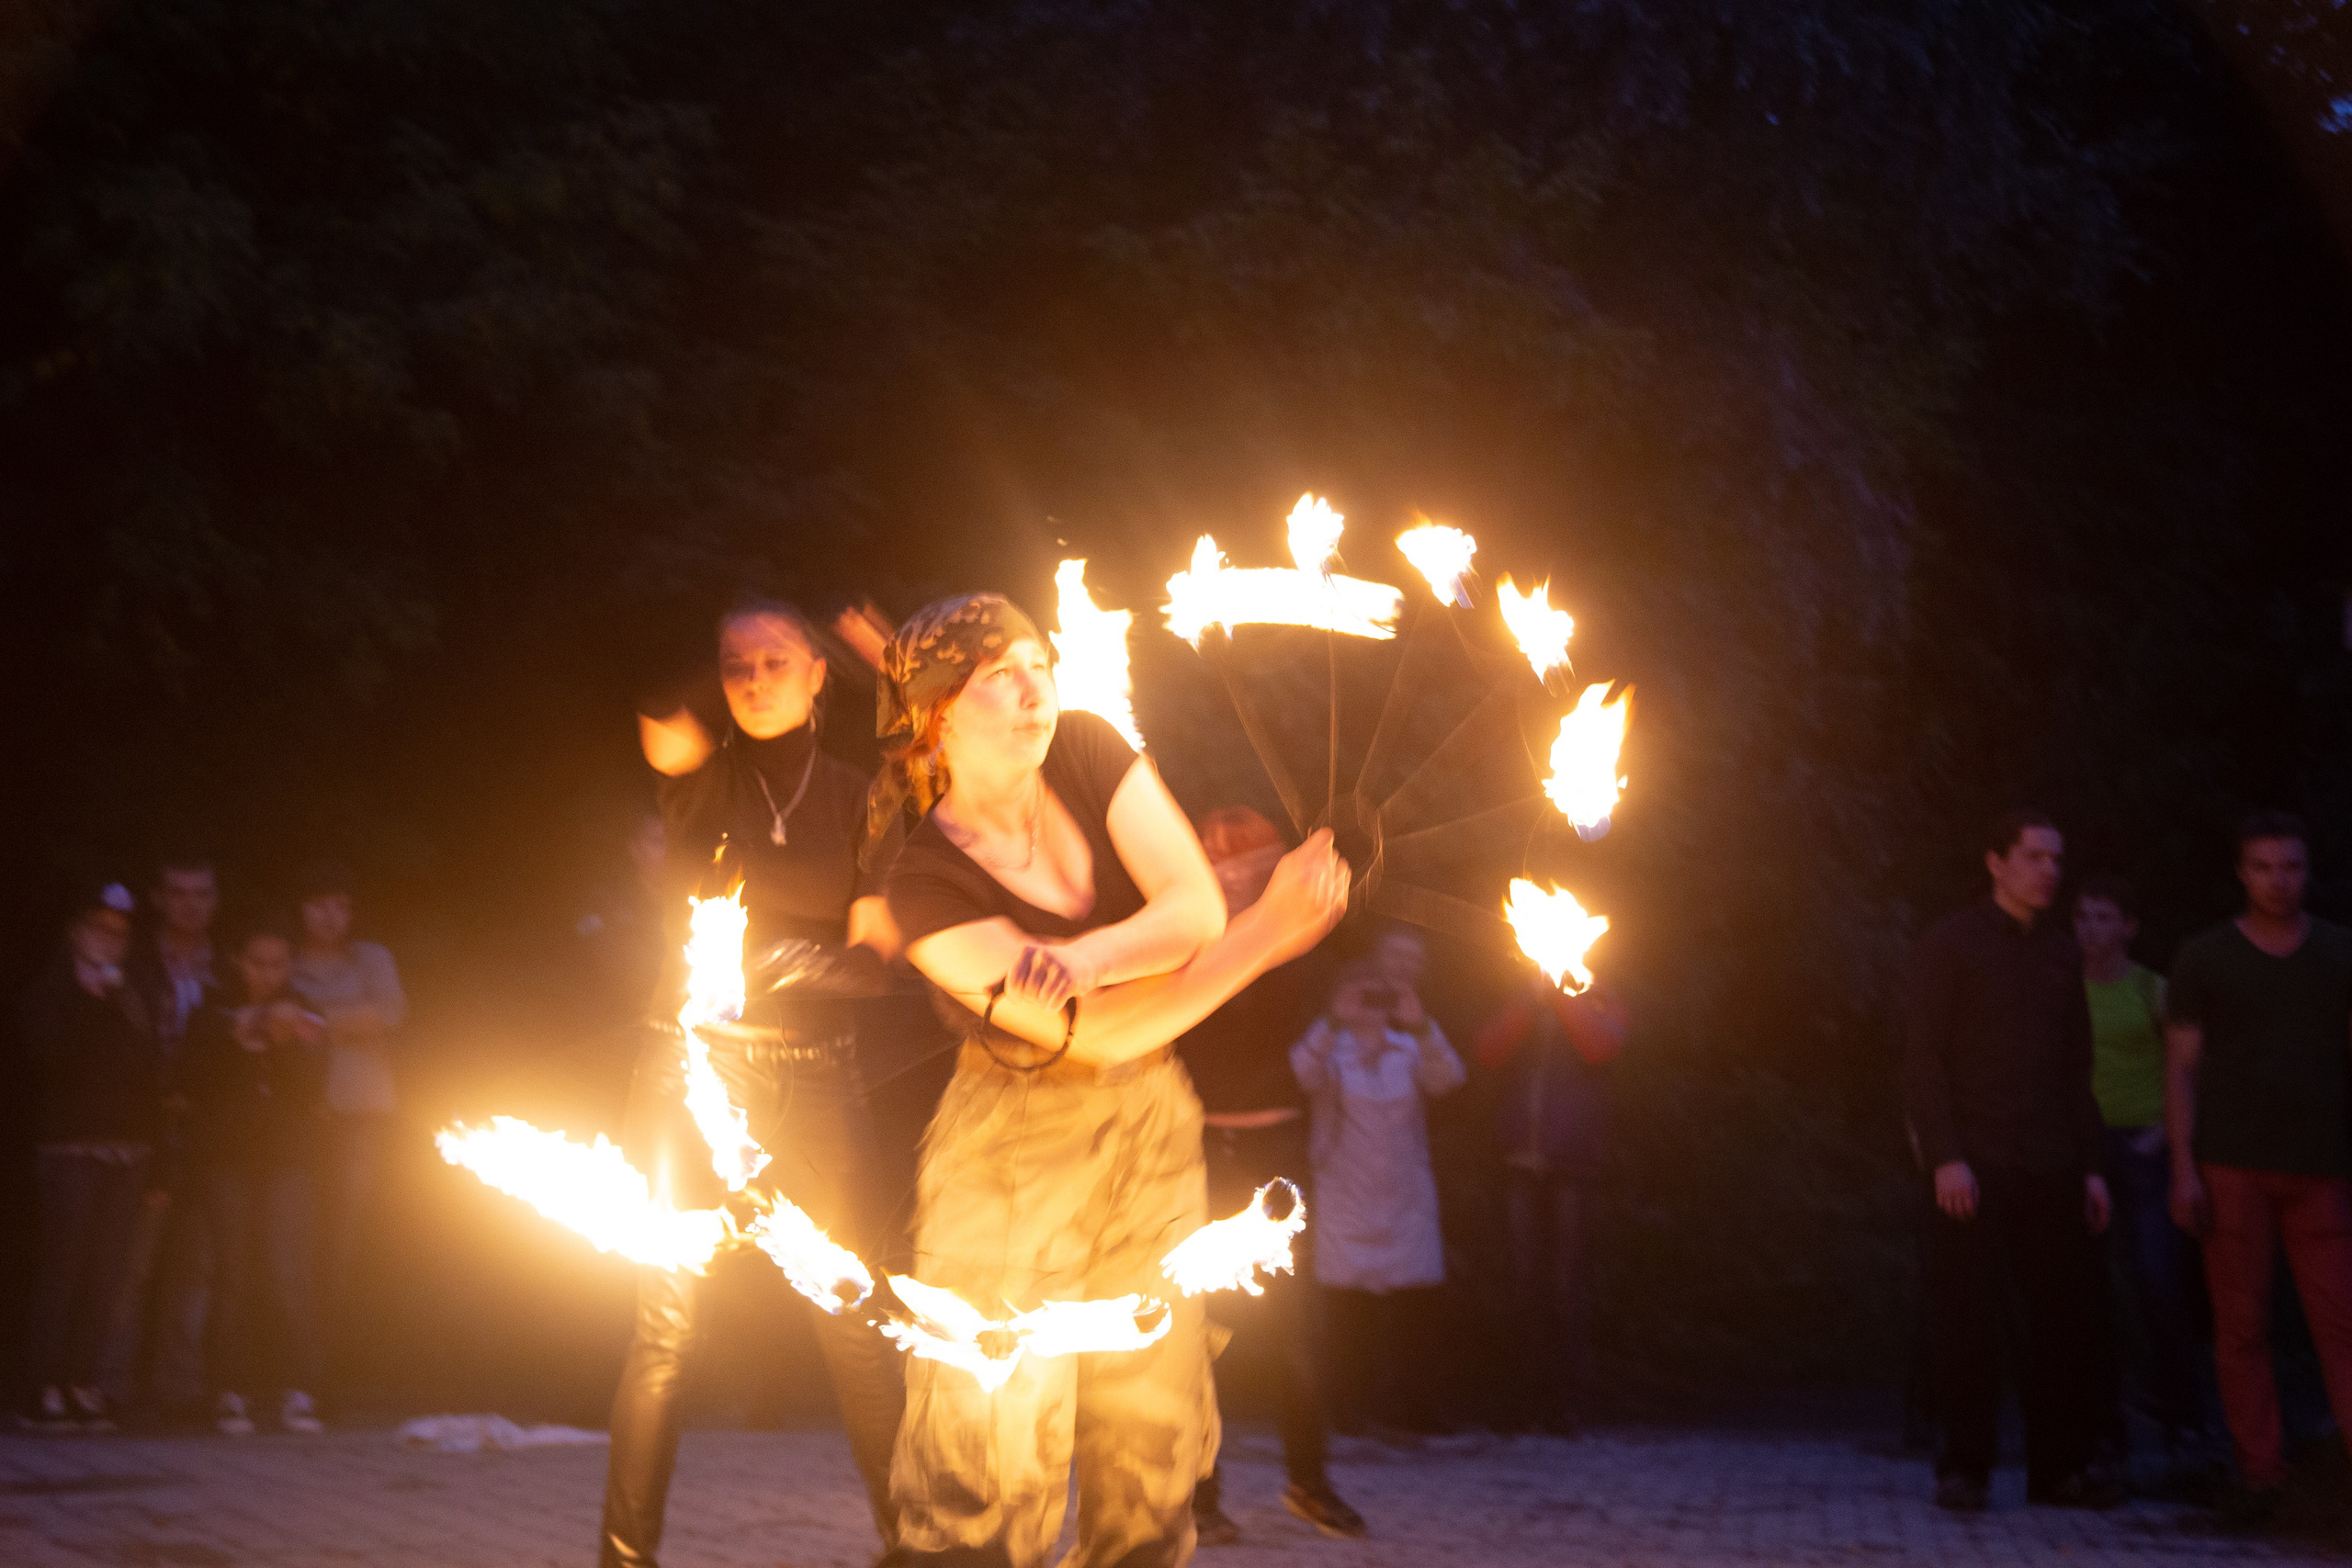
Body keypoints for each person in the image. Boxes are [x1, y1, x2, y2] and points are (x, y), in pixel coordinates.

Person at [874, 592, 1349, 1568]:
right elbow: (1094, 1038)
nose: (1031, 685)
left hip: (1153, 1130)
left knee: (1151, 1440)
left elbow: (1191, 912)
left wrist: (1084, 957)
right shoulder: (921, 887)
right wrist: (1269, 934)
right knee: (991, 1455)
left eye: (1036, 660)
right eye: (994, 673)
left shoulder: (1088, 748)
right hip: (1010, 1159)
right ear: (937, 717)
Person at [605, 597, 909, 1568]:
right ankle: (623, 1558)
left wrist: (779, 966)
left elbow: (876, 964)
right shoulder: (701, 781)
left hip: (816, 1074)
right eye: (734, 662)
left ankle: (915, 1548)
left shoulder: (864, 795)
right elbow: (661, 709)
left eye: (777, 662)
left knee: (854, 1323)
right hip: (689, 1065)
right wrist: (746, 647)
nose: (751, 678)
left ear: (820, 677)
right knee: (666, 1329)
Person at [1904, 810, 2115, 1513]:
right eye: (2032, 856)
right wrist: (1945, 1156)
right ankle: (1964, 1466)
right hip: (1975, 1160)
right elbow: (1923, 1056)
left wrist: (2090, 1167)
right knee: (1965, 1318)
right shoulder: (1953, 944)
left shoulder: (2059, 954)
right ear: (1997, 862)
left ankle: (2058, 1469)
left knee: (2059, 1322)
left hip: (2050, 1161)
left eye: (2056, 857)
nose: (2048, 869)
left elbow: (2075, 1067)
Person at [1178, 807, 1363, 1545]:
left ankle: (1308, 1482)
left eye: (1244, 857)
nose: (1230, 867)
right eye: (1215, 858)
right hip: (1196, 1154)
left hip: (1277, 1158)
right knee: (1197, 1332)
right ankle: (1198, 1491)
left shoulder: (1298, 944)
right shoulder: (1186, 943)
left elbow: (1311, 1050)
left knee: (1296, 1333)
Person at [2165, 811, 2352, 1524]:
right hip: (2231, 1164)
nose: (2280, 880)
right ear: (2243, 873)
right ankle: (2261, 1475)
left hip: (2321, 1164)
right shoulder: (2206, 956)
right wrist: (2183, 1166)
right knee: (2241, 1327)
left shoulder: (2340, 952)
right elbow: (2181, 1068)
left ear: (2309, 870)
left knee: (2341, 1323)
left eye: (2293, 866)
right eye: (2266, 867)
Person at [1292, 955, 1464, 1440]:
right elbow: (1299, 1074)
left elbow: (1449, 1077)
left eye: (1378, 993)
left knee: (1414, 1312)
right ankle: (1348, 1410)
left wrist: (1423, 1025)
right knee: (1349, 1314)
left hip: (1405, 1194)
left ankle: (1414, 1409)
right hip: (1345, 1192)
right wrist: (1331, 1020)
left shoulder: (1410, 1049)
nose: (1371, 1003)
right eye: (1361, 992)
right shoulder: (1329, 1047)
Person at [17, 882, 162, 1432]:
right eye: (100, 928)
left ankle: (82, 1382)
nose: (110, 941)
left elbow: (150, 1074)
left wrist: (157, 1157)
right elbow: (51, 1066)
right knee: (65, 1266)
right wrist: (86, 999)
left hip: (128, 1152)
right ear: (76, 932)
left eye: (120, 933)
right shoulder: (49, 993)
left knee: (108, 1271)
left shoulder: (133, 996)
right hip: (70, 1149)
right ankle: (42, 1387)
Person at [180, 921, 331, 1437]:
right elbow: (193, 1075)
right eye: (258, 963)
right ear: (236, 962)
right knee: (233, 1272)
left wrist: (288, 1044)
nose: (270, 974)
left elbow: (314, 1088)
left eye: (280, 963)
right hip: (228, 1160)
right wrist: (242, 1033)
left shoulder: (305, 1012)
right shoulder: (210, 1011)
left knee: (288, 1272)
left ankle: (299, 1390)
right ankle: (229, 1390)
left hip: (288, 1160)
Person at [2074, 874, 2205, 1456]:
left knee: (2158, 1276)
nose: (2090, 930)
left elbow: (2193, 1067)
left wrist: (2167, 1137)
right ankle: (2100, 1414)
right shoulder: (2063, 989)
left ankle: (2182, 1406)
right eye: (2081, 918)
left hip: (2147, 1147)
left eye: (2103, 918)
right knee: (2088, 1284)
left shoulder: (2153, 989)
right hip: (2086, 1148)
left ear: (2127, 927)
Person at [1475, 968, 1628, 1436]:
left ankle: (1567, 1405)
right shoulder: (1523, 996)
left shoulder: (1603, 998)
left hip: (1572, 1164)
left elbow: (1599, 1049)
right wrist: (1529, 999)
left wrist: (1563, 999)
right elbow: (1487, 1053)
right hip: (1521, 1160)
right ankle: (1522, 1402)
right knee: (1521, 1284)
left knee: (1566, 1286)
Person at [107, 852, 222, 1414]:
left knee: (196, 1265)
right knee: (132, 1261)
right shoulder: (135, 962)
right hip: (145, 1122)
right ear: (157, 898)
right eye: (178, 893)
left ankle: (180, 1390)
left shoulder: (226, 965)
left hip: (207, 1127)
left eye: (201, 893)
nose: (190, 905)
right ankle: (107, 1387)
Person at [288, 860, 407, 1356]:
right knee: (295, 1237)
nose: (333, 917)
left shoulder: (371, 958)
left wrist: (310, 1019)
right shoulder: (284, 961)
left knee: (344, 1238)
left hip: (361, 1114)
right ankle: (292, 1359)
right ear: (300, 909)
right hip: (298, 1114)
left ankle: (327, 1363)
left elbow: (390, 1015)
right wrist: (349, 1020)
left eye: (342, 907)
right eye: (321, 905)